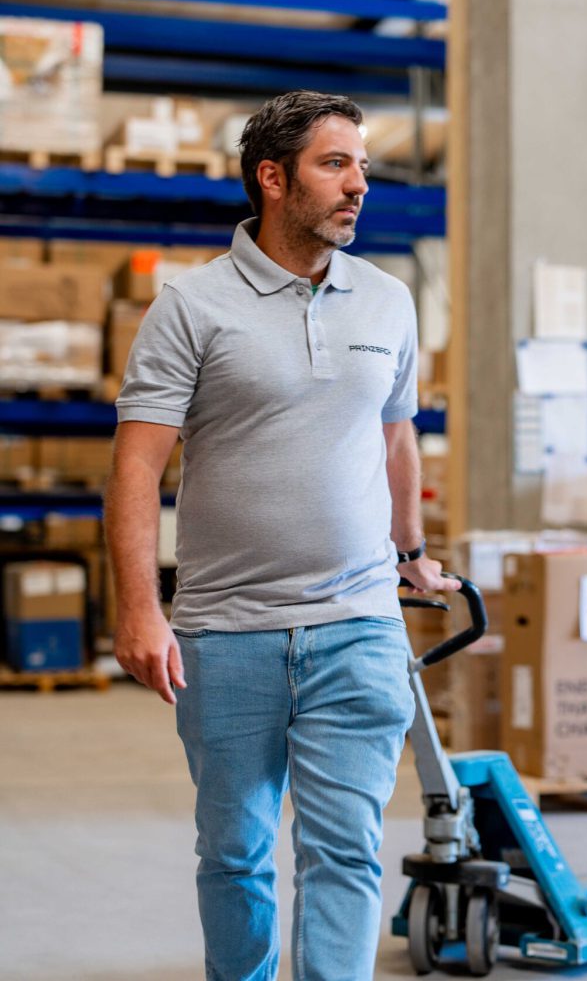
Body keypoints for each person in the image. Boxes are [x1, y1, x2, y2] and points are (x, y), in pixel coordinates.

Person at [104, 89, 459, 981]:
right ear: (273, 177)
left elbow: (393, 433)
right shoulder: (190, 306)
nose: (359, 187)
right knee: (235, 853)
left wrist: (411, 553)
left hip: (359, 622)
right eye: (335, 165)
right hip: (226, 635)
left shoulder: (387, 300)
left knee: (347, 854)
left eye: (364, 167)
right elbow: (137, 466)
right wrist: (141, 611)